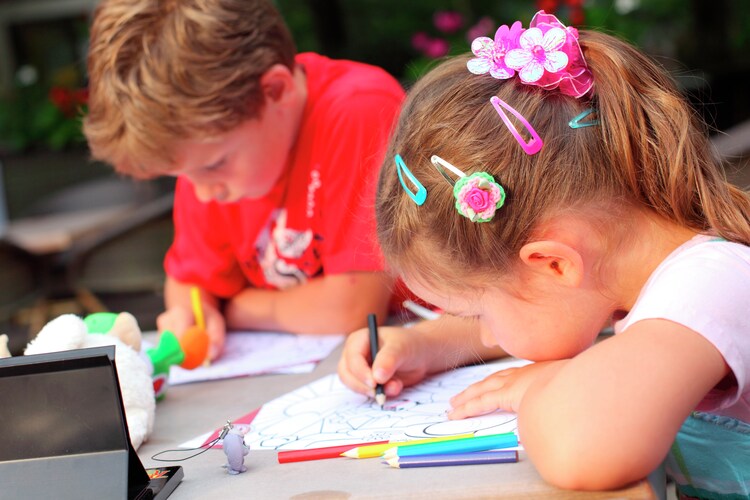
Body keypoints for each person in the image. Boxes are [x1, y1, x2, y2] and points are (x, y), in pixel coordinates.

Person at [338, 11, 750, 496]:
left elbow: (582, 452)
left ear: (554, 264)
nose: (485, 331)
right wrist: (427, 345)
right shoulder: (634, 278)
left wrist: (541, 385)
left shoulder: (708, 290)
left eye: (479, 311)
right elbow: (551, 311)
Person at [83, 0, 405, 360]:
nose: (202, 193)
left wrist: (231, 308)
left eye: (213, 165)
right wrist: (197, 310)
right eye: (182, 176)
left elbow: (352, 307)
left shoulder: (357, 109)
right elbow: (189, 283)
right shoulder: (211, 156)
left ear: (275, 91)